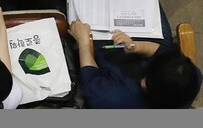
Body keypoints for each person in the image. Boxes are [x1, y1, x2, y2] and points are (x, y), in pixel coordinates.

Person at [68, 13, 202, 108]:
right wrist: (135, 46)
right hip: (132, 60)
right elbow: (162, 51)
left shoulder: (112, 99)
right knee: (148, 2)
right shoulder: (189, 77)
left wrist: (83, 40)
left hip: (112, 64)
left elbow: (90, 77)